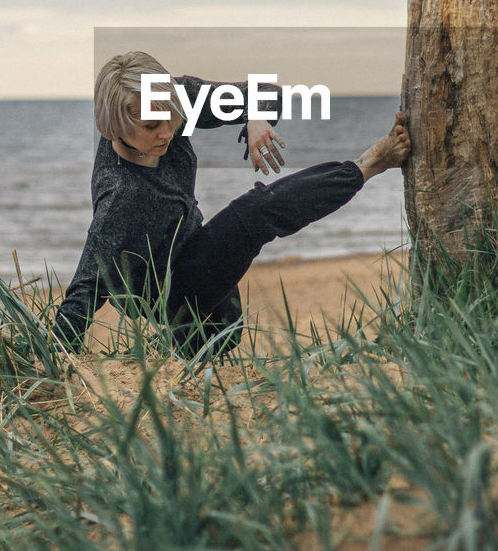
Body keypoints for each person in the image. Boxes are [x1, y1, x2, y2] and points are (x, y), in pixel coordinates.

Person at [53, 51, 410, 356]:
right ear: (114, 128)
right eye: (150, 126)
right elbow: (86, 286)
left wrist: (256, 116)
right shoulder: (121, 196)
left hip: (194, 258)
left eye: (171, 118)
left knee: (224, 334)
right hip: (166, 293)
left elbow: (267, 93)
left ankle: (177, 351)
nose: (166, 131)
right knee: (256, 212)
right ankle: (368, 165)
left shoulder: (171, 100)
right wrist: (50, 357)